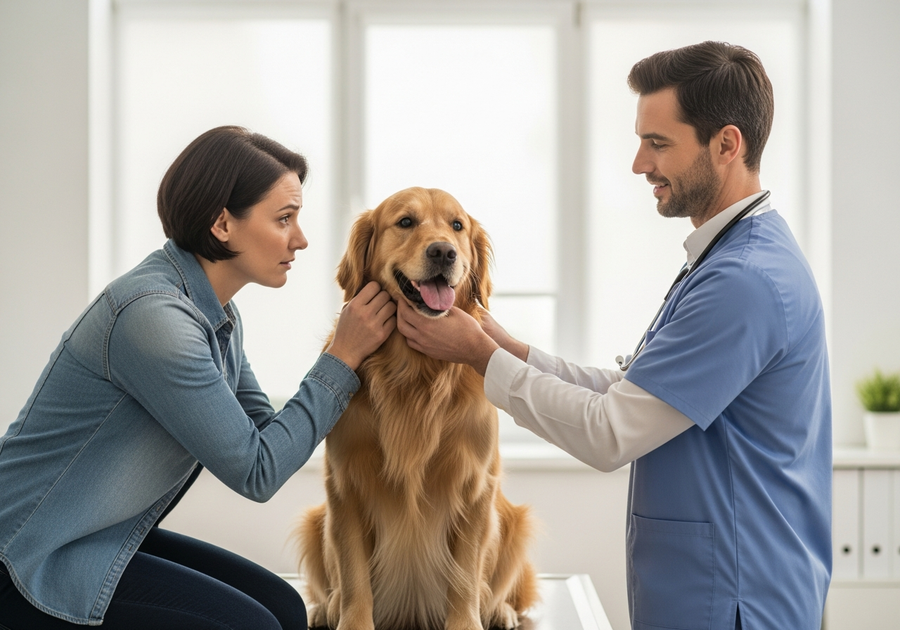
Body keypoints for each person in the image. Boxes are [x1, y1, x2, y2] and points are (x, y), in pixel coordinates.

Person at [397, 41, 831, 629]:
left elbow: (610, 431)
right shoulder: (727, 260)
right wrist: (503, 345)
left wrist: (478, 356)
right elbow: (634, 390)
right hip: (711, 590)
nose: (639, 164)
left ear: (727, 144)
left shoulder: (745, 282)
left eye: (658, 144)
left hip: (735, 600)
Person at [0, 126, 397, 629]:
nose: (300, 239)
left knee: (285, 608)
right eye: (284, 219)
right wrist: (342, 358)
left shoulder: (214, 312)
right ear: (222, 224)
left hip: (96, 533)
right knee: (256, 625)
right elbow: (258, 472)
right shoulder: (155, 319)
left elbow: (264, 433)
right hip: (28, 554)